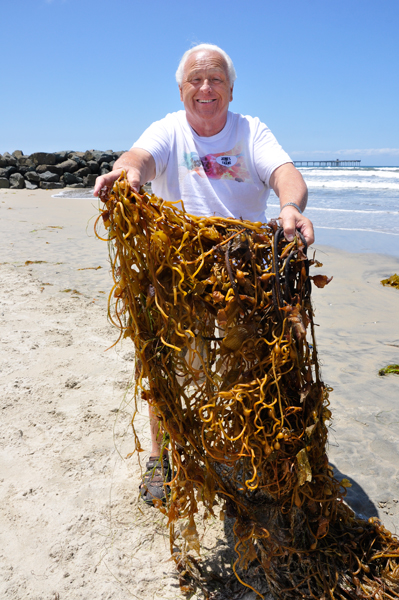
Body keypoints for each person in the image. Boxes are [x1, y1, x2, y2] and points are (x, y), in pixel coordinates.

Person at [94, 43, 315, 505]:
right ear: (181, 90)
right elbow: (140, 158)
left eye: (215, 79)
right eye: (196, 79)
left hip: (242, 271)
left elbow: (285, 173)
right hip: (177, 266)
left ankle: (237, 456)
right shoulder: (169, 129)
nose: (205, 87)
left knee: (247, 368)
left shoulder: (250, 130)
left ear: (231, 90)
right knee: (168, 365)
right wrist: (125, 173)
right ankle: (162, 459)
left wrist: (290, 206)